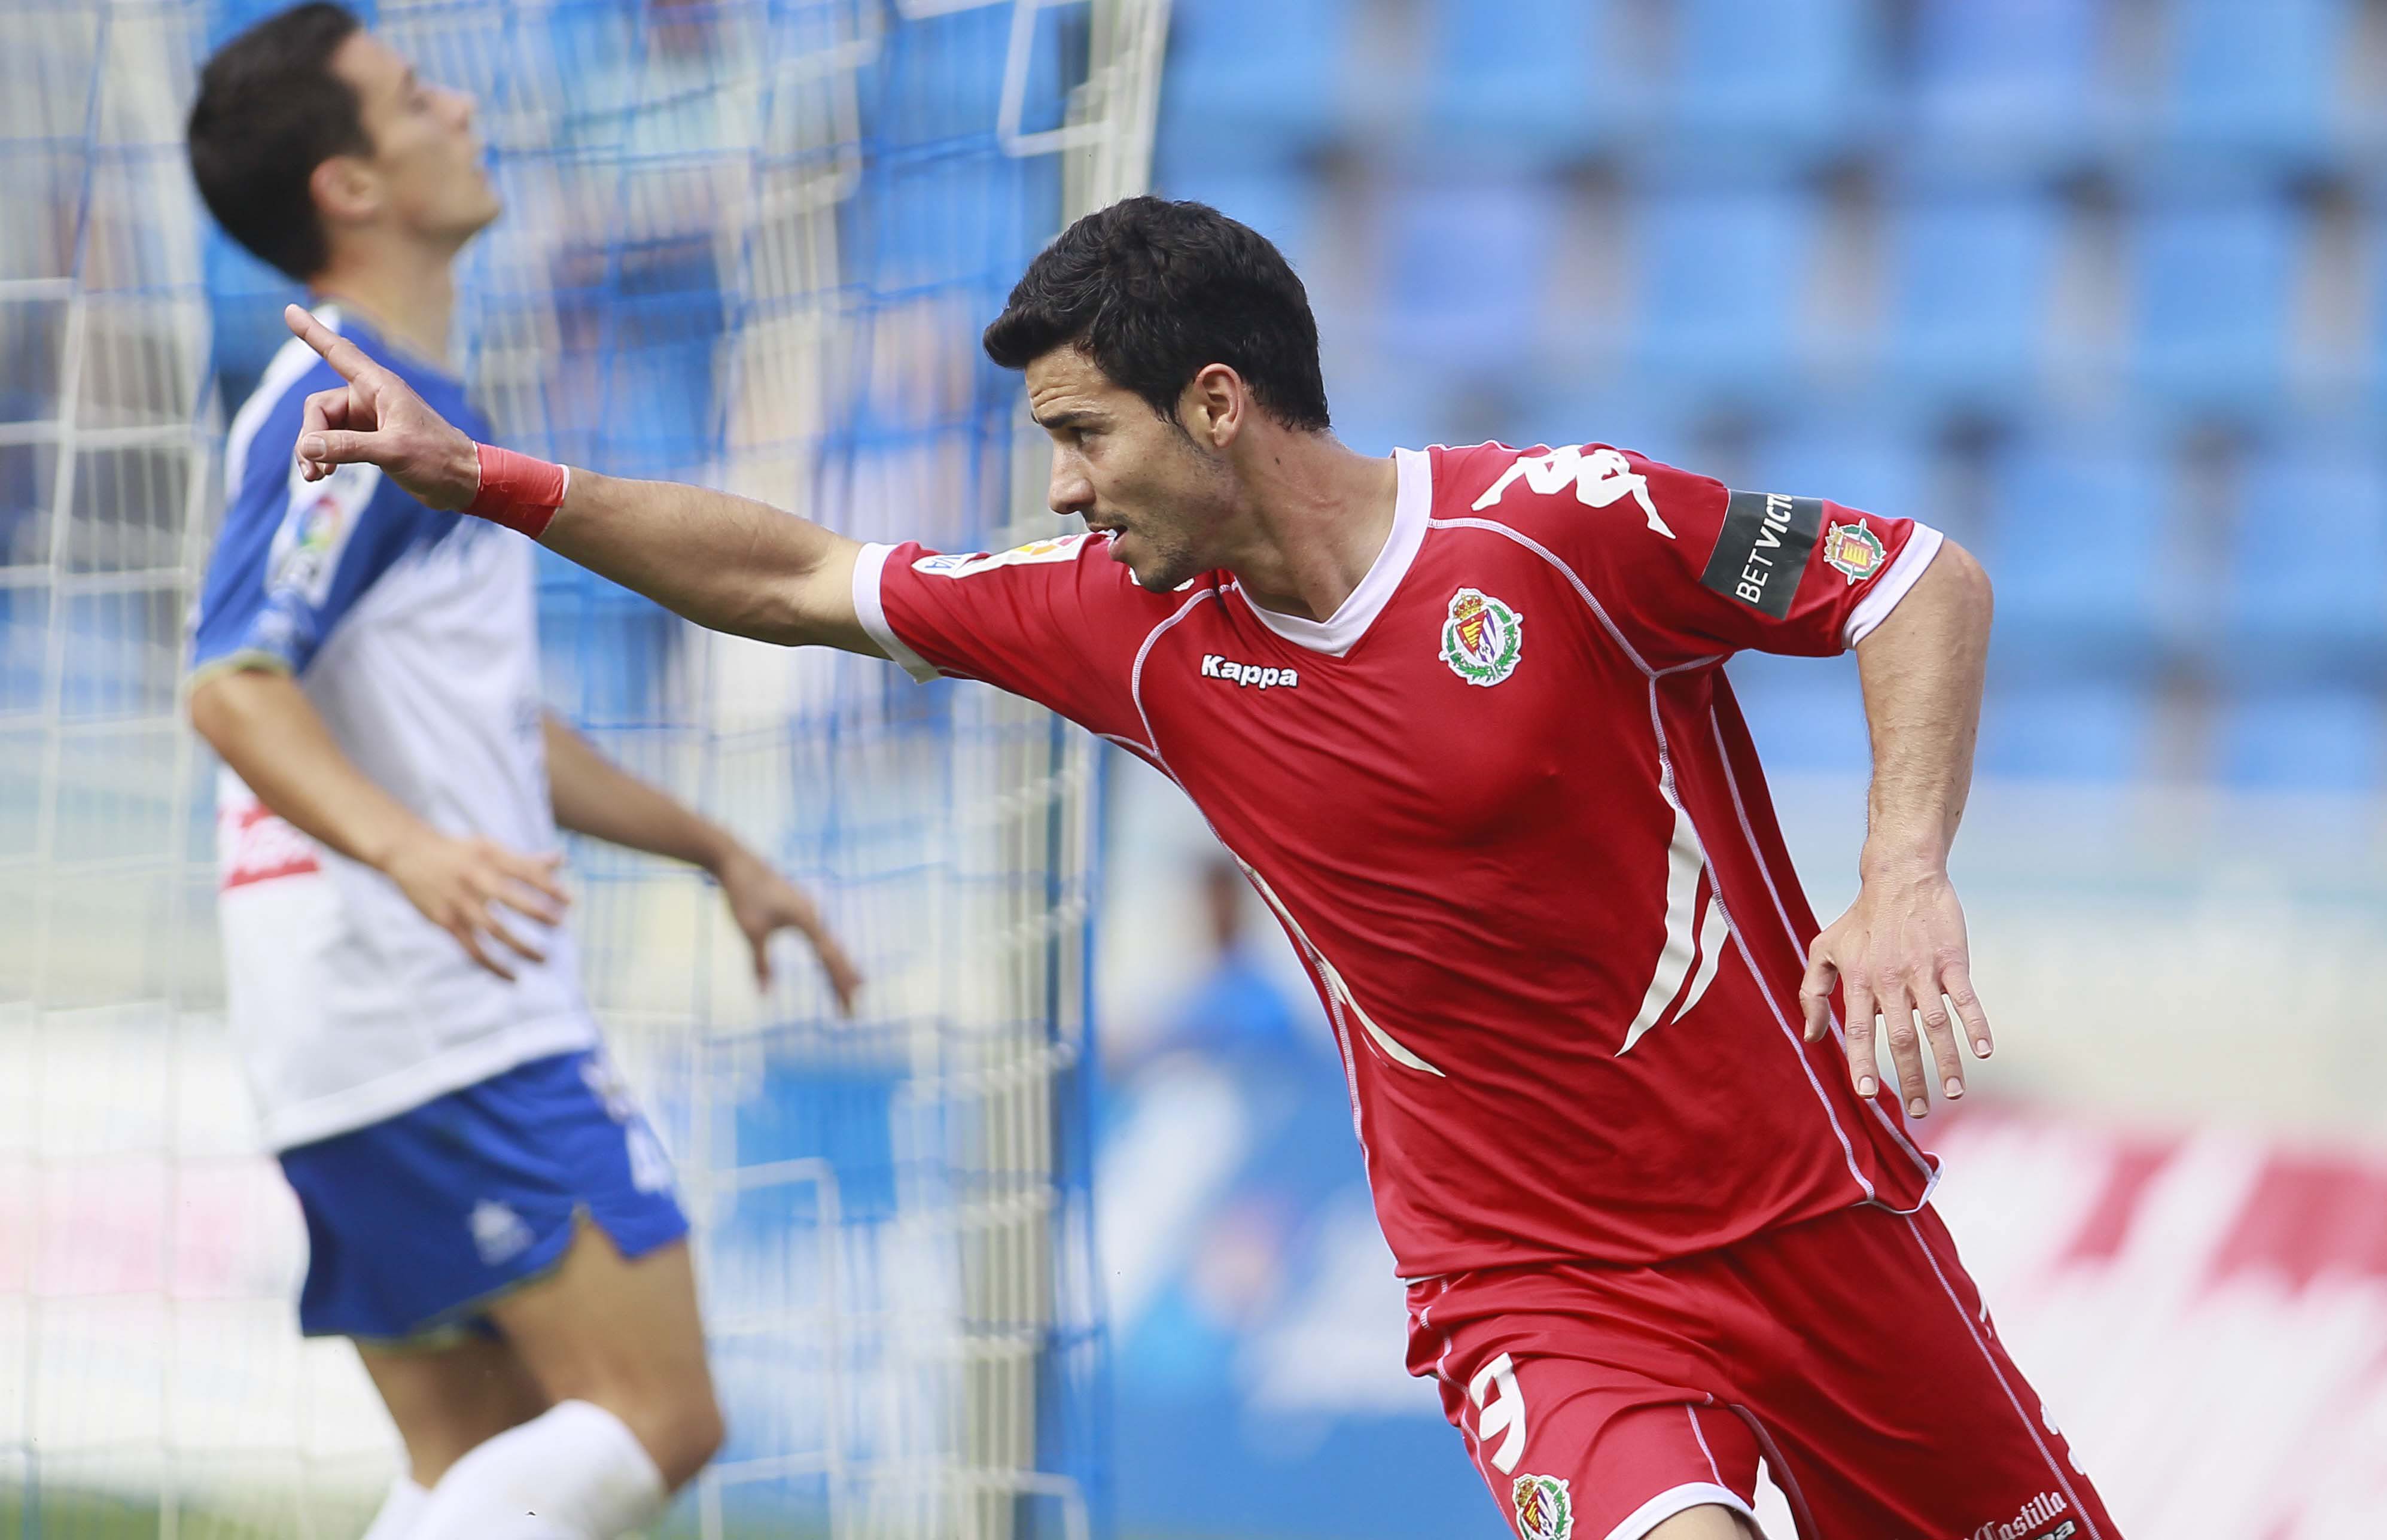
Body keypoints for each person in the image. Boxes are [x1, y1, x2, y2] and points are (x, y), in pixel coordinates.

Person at [272, 193, 2124, 1540]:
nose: (1063, 491)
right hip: (1529, 1278)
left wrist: (1896, 870)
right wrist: (497, 479)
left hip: (1805, 1215)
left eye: (1083, 434)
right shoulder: (1121, 625)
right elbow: (791, 578)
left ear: (1218, 403)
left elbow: (1907, 576)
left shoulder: (1556, 532)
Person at [181, 8, 861, 1539]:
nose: (467, 105)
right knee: (662, 1419)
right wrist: (418, 855)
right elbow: (233, 686)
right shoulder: (348, 406)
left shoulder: (384, 410)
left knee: (497, 1474)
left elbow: (479, 732)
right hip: (440, 1006)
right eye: (417, 95)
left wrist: (713, 849)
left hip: (338, 1032)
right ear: (351, 186)